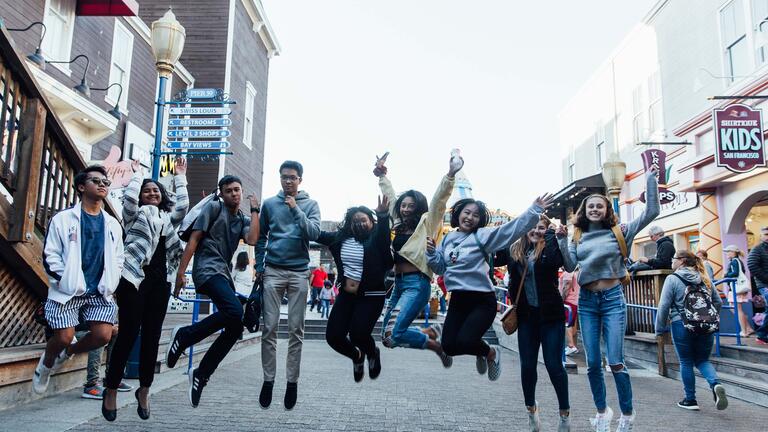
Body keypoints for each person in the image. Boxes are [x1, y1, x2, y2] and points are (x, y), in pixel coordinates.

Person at [557, 167, 659, 432]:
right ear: (584, 210)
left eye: (599, 206)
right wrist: (559, 241)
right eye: (590, 206)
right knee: (592, 364)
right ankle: (602, 412)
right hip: (588, 301)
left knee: (615, 361)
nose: (594, 209)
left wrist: (650, 179)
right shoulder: (576, 236)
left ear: (606, 210)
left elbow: (652, 212)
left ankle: (627, 413)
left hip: (613, 299)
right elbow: (570, 265)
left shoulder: (620, 232)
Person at [427, 194, 553, 382]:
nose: (470, 217)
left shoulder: (483, 236)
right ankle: (483, 350)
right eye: (466, 212)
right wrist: (431, 253)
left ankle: (491, 352)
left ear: (481, 220)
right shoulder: (448, 238)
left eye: (475, 215)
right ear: (458, 214)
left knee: (466, 341)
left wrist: (534, 209)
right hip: (458, 300)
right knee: (449, 346)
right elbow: (440, 268)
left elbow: (512, 229)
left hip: (481, 300)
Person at [101, 159, 188, 420]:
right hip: (133, 278)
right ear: (140, 195)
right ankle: (112, 388)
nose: (152, 193)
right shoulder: (133, 214)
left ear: (162, 197)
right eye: (147, 191)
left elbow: (182, 207)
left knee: (152, 337)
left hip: (160, 282)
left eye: (156, 191)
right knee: (128, 333)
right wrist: (138, 175)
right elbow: (128, 198)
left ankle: (145, 389)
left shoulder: (167, 220)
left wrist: (180, 176)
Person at [165, 175, 260, 408]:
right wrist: (180, 273)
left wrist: (256, 210)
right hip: (207, 270)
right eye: (229, 191)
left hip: (223, 275)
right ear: (222, 193)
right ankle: (184, 335)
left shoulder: (243, 219)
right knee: (234, 310)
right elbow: (194, 240)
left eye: (237, 190)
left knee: (236, 325)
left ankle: (201, 374)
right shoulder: (214, 208)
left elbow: (252, 239)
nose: (234, 194)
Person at [34, 166, 125, 397]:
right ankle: (47, 364)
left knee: (104, 335)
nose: (103, 184)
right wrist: (65, 280)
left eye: (105, 181)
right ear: (82, 187)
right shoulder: (63, 219)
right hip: (68, 289)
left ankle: (69, 352)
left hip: (100, 291)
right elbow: (51, 253)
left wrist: (111, 282)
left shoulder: (112, 224)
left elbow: (118, 258)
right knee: (63, 336)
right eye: (96, 181)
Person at [375, 152, 462, 367]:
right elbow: (390, 197)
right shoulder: (397, 223)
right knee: (387, 338)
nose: (405, 209)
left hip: (417, 283)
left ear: (418, 207)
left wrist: (450, 175)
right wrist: (382, 176)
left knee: (394, 333)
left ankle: (436, 345)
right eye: (403, 205)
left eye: (410, 206)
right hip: (399, 284)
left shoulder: (427, 223)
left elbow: (439, 201)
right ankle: (431, 333)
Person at [255, 160, 321, 410]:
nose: (288, 181)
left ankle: (292, 382)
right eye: (284, 177)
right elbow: (261, 237)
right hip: (273, 270)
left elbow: (313, 233)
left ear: (300, 179)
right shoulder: (270, 203)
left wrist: (295, 209)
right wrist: (260, 267)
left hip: (299, 273)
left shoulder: (311, 204)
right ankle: (268, 380)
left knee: (296, 330)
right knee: (269, 328)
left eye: (292, 177)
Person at [501, 215, 570, 431]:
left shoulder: (549, 249)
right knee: (528, 366)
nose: (535, 231)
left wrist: (552, 236)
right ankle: (531, 410)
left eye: (540, 228)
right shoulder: (514, 251)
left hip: (551, 317)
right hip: (527, 318)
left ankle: (564, 415)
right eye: (531, 227)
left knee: (554, 366)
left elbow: (562, 263)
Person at [317, 197, 393, 381]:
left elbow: (384, 236)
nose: (359, 224)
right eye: (355, 221)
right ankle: (357, 356)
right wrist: (296, 213)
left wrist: (382, 215)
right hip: (347, 296)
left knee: (359, 334)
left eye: (363, 220)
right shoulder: (339, 239)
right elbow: (315, 233)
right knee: (333, 337)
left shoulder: (377, 240)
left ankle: (372, 352)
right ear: (349, 224)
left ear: (371, 222)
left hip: (372, 296)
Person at [655, 250, 727, 411]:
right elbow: (718, 302)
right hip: (706, 326)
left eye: (673, 259)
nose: (672, 262)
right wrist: (707, 318)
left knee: (686, 361)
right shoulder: (704, 277)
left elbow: (664, 306)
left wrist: (659, 329)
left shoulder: (672, 279)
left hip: (681, 324)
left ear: (681, 261)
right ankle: (716, 384)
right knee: (702, 360)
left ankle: (690, 400)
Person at [723, 245, 753, 337]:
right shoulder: (737, 261)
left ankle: (745, 331)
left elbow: (735, 273)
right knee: (734, 309)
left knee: (737, 309)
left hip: (737, 289)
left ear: (733, 252)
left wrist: (726, 274)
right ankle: (748, 328)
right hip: (736, 288)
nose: (726, 254)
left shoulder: (735, 261)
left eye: (728, 251)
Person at [748, 227, 768, 344]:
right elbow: (752, 265)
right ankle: (761, 334)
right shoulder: (757, 249)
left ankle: (762, 335)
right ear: (760, 236)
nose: (767, 236)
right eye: (765, 234)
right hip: (764, 284)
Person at [560, 270, 580, 356]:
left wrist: (561, 299)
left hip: (568, 301)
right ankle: (574, 346)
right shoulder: (577, 272)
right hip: (575, 301)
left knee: (567, 323)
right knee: (572, 324)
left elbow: (567, 285)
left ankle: (571, 346)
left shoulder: (568, 272)